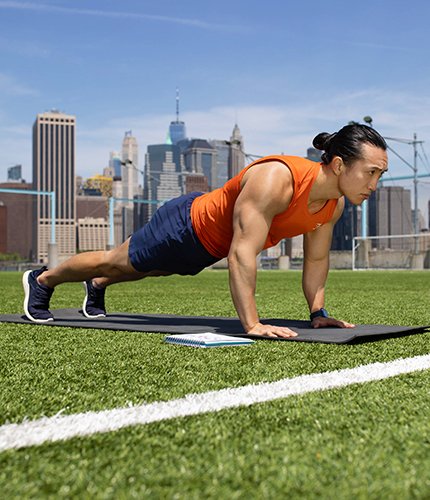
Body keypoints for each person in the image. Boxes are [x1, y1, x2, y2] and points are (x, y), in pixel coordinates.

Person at [23, 123, 388, 338]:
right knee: (116, 261)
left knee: (150, 269)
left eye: (380, 175)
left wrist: (317, 312)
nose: (375, 183)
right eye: (371, 172)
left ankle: (97, 286)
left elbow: (317, 258)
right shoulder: (277, 178)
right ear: (339, 165)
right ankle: (42, 281)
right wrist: (253, 324)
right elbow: (242, 253)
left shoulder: (332, 204)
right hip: (185, 225)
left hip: (206, 247)